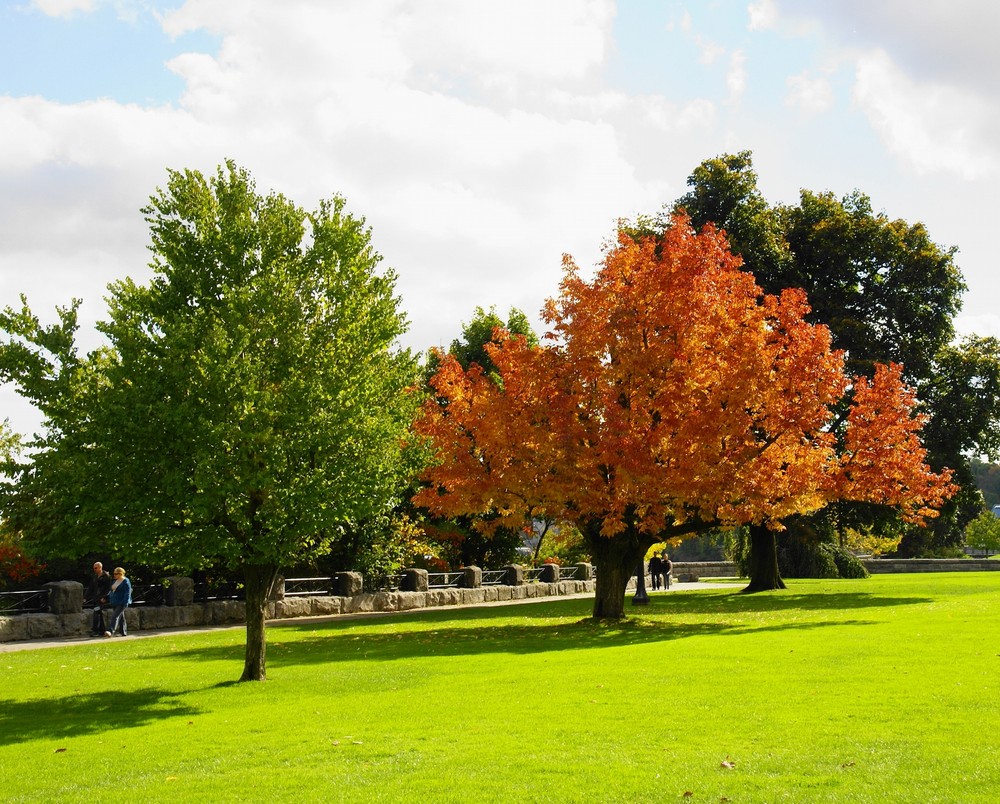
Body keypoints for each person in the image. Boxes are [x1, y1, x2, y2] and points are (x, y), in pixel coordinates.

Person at [84, 562, 113, 636]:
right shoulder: (95, 577)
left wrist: (105, 597)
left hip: (102, 599)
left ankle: (96, 630)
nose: (94, 569)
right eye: (93, 568)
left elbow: (109, 589)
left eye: (96, 568)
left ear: (100, 567)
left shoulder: (107, 577)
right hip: (96, 599)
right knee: (99, 613)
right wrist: (85, 597)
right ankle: (101, 631)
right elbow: (91, 588)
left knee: (96, 613)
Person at [105, 567, 132, 637]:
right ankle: (123, 632)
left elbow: (127, 593)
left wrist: (126, 602)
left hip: (122, 602)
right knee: (121, 617)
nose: (114, 575)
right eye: (114, 573)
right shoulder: (115, 581)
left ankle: (110, 631)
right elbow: (111, 591)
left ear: (121, 574)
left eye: (116, 574)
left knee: (115, 616)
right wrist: (106, 598)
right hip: (114, 601)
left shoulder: (125, 581)